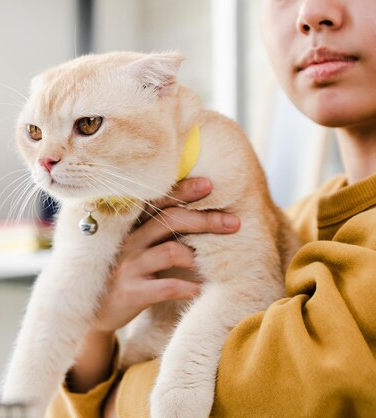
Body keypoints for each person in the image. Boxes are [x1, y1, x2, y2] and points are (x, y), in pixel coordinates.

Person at [46, 0, 376, 416]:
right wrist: (94, 325)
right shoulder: (294, 221)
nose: (310, 12)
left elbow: (272, 394)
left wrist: (112, 399)